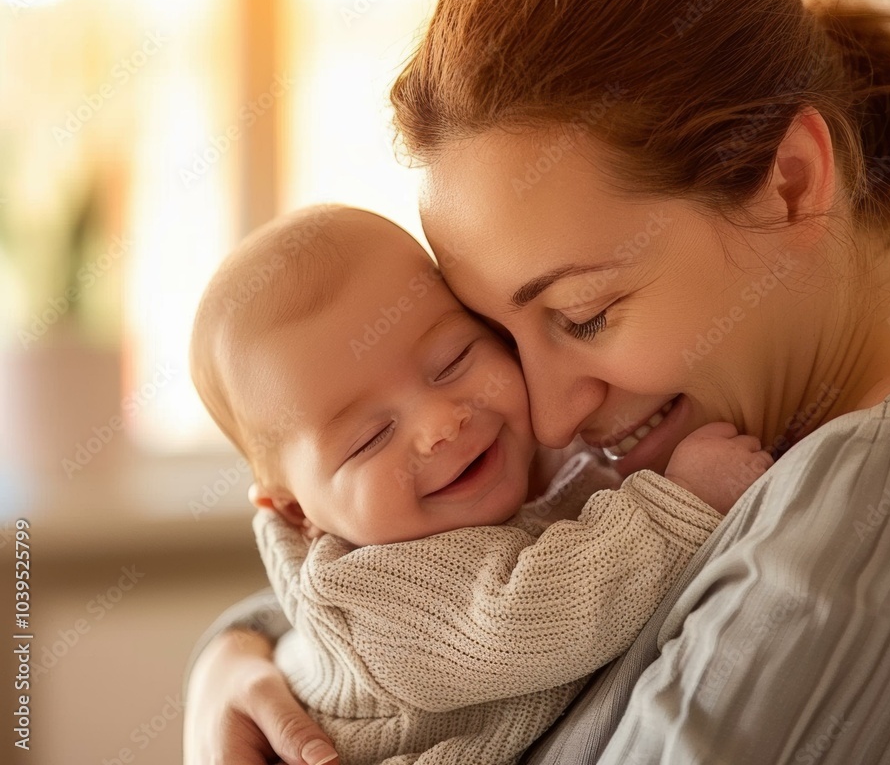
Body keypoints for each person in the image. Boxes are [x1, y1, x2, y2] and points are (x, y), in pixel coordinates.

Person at [184, 0, 890, 763]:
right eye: (493, 336)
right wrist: (238, 653)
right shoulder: (719, 447)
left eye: (584, 316)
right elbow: (411, 600)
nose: (543, 418)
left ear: (789, 182)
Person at [186, 205, 771, 764]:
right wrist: (676, 506)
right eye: (369, 439)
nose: (441, 425)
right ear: (296, 512)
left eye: (453, 360)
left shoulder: (531, 449)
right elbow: (540, 617)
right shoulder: (374, 595)